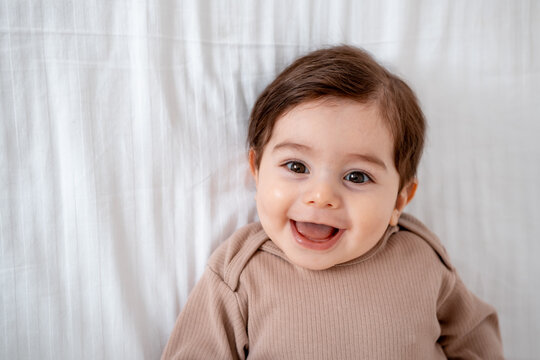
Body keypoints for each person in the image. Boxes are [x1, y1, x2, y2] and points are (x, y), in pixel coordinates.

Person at [161, 45, 503, 359]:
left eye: (357, 177)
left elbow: (474, 335)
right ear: (256, 169)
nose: (321, 196)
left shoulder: (422, 258)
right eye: (296, 167)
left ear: (400, 200)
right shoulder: (240, 272)